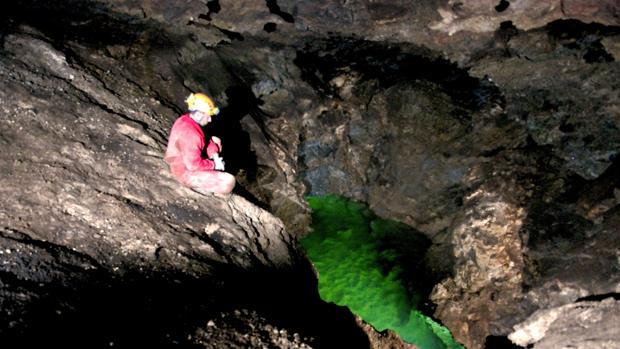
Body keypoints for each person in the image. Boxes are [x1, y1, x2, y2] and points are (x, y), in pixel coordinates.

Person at [164, 92, 236, 195]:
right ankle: (201, 188)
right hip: (183, 170)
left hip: (184, 157)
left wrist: (215, 156)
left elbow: (206, 139)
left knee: (215, 141)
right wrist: (214, 164)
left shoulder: (187, 119)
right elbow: (193, 165)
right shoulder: (191, 134)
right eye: (208, 116)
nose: (210, 119)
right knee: (229, 181)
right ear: (198, 114)